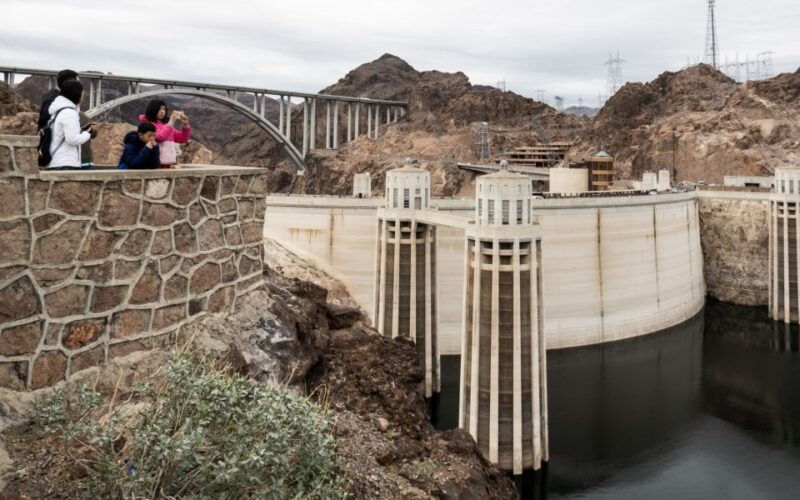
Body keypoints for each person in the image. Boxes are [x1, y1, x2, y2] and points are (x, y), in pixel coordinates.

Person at [38, 69, 95, 168]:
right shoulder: (68, 112)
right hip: (65, 162)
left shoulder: (58, 108)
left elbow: (62, 132)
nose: (82, 95)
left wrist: (82, 130)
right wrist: (87, 133)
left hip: (57, 160)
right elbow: (72, 139)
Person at [139, 99, 191, 168]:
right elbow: (159, 137)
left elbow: (182, 139)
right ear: (152, 109)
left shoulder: (166, 125)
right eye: (159, 109)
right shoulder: (147, 124)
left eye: (164, 109)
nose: (162, 111)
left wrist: (185, 125)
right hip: (156, 164)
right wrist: (171, 121)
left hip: (171, 164)